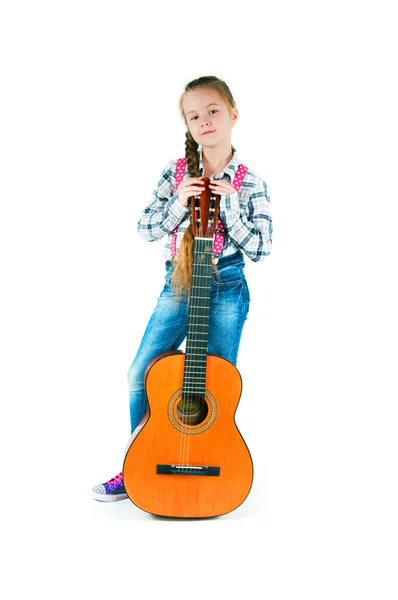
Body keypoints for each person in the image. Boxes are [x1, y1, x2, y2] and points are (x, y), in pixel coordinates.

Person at [92, 75, 273, 501]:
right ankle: (137, 465)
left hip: (226, 285)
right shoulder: (173, 173)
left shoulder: (251, 183)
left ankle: (215, 461)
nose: (205, 120)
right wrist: (179, 201)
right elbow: (146, 228)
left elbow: (263, 248)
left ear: (233, 115)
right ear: (187, 126)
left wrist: (228, 203)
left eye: (213, 111)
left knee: (216, 386)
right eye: (195, 115)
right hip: (179, 282)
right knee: (141, 374)